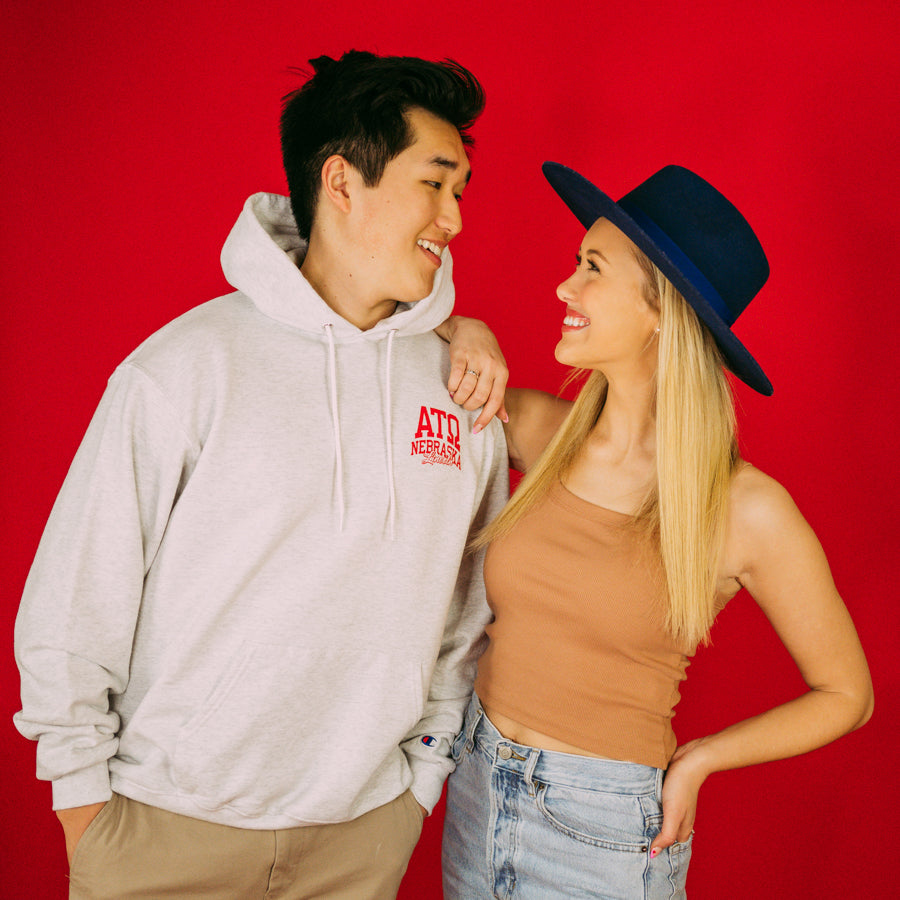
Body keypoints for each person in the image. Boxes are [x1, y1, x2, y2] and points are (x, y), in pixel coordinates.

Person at [14, 50, 511, 899]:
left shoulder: (463, 393)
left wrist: (419, 783)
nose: (454, 219)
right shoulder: (182, 370)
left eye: (460, 191)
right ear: (343, 182)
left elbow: (466, 610)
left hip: (362, 837)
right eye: (434, 183)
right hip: (164, 830)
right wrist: (84, 805)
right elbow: (74, 597)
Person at [442, 162, 874, 898]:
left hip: (603, 831)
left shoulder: (746, 509)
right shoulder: (539, 431)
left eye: (591, 269)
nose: (564, 287)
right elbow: (398, 361)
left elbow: (847, 693)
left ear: (660, 310)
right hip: (475, 783)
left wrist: (702, 758)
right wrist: (459, 324)